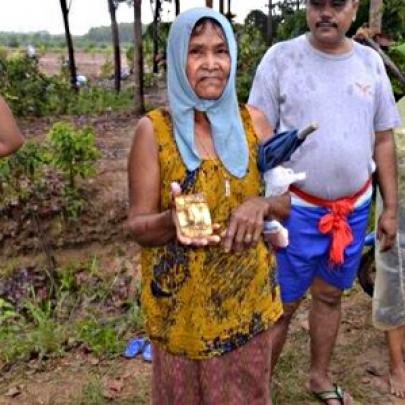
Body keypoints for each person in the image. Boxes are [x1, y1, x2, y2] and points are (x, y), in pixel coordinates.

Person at [127, 7, 289, 405]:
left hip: (246, 307)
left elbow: (284, 203)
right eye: (196, 51)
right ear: (179, 60)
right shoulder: (154, 132)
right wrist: (170, 221)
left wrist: (260, 204)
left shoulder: (255, 123)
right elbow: (136, 225)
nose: (212, 64)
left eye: (221, 50)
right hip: (183, 316)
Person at [248, 0, 401, 403]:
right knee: (282, 303)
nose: (325, 13)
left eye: (337, 4)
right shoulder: (281, 58)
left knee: (330, 295)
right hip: (294, 210)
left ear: (354, 7)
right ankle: (255, 389)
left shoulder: (369, 65)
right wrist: (270, 151)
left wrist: (389, 208)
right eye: (317, 3)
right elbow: (257, 117)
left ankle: (319, 376)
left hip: (351, 211)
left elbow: (383, 138)